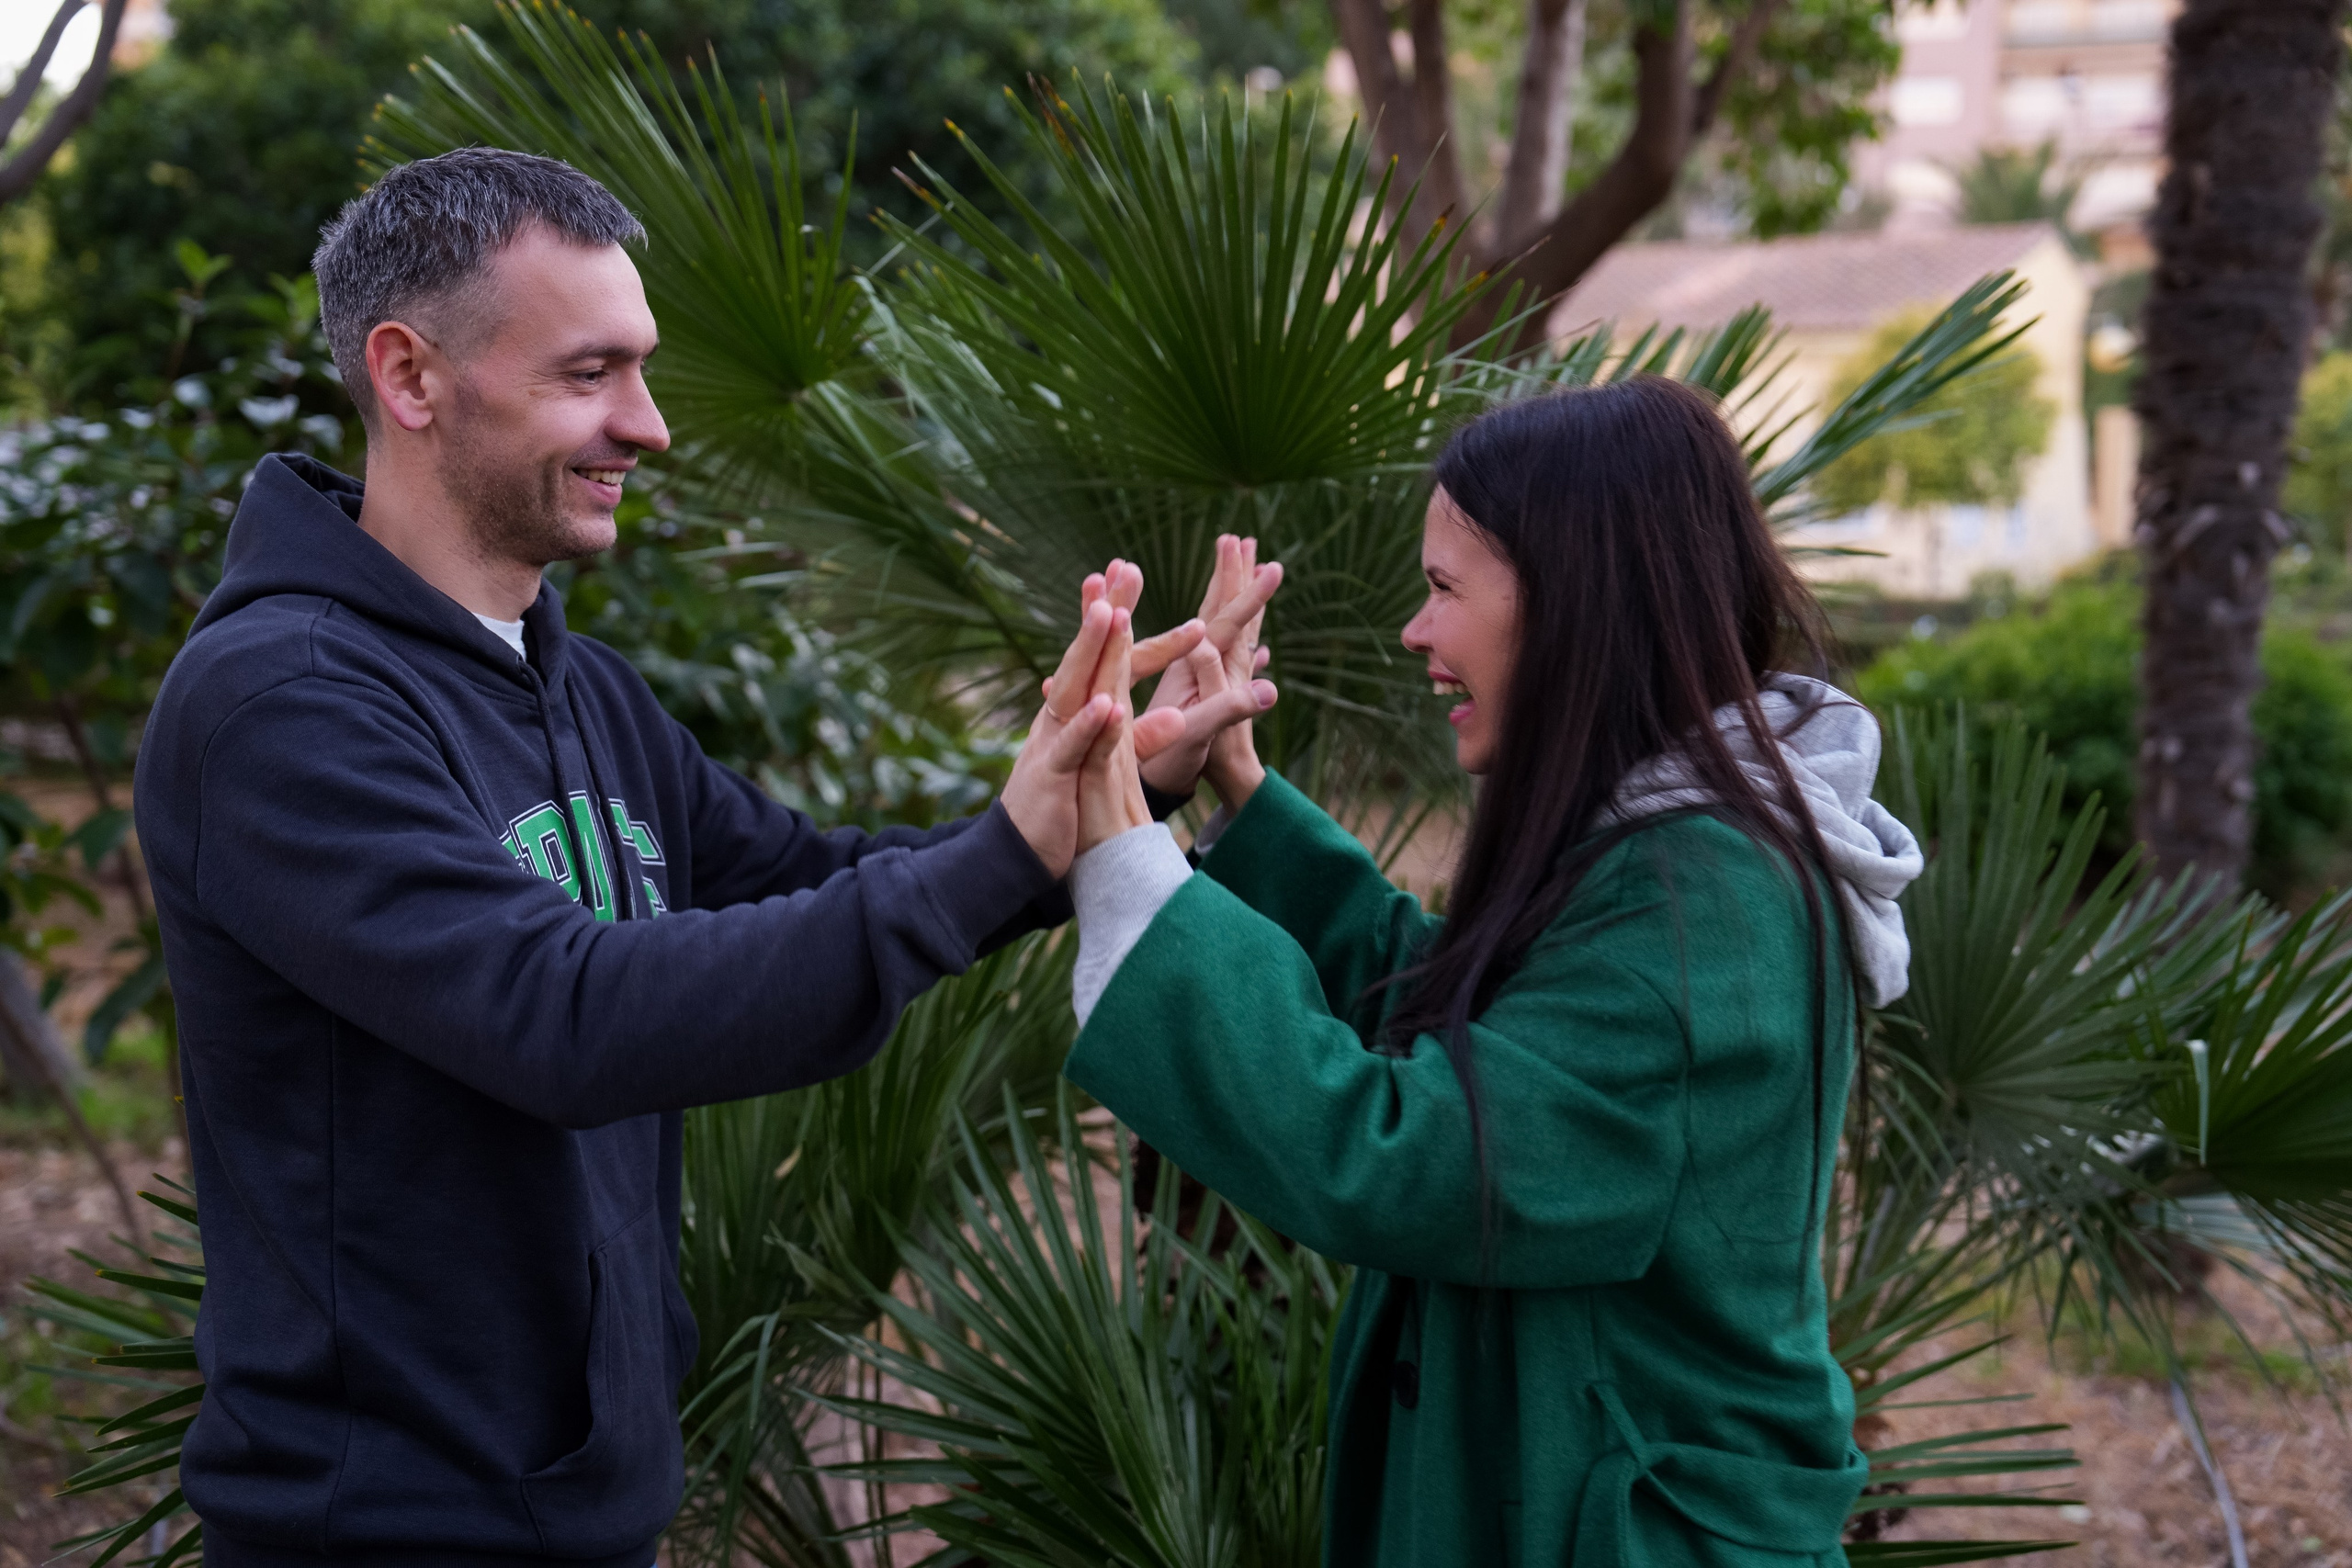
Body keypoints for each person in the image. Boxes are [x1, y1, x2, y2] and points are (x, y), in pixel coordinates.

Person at [131, 148, 1269, 1568]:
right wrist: (1009, 841)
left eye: (644, 368)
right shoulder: (278, 708)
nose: (650, 425)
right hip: (383, 1533)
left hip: (590, 1514)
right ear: (412, 379)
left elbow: (804, 881)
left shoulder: (582, 690)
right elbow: (563, 1016)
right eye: (589, 373)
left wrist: (1106, 788)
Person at [1056, 377, 1926, 1567]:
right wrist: (1240, 791)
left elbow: (1416, 1159)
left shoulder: (1705, 895)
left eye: (1443, 589)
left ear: (1576, 602)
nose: (1416, 632)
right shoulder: (1671, 837)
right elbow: (1485, 1037)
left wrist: (1125, 863)